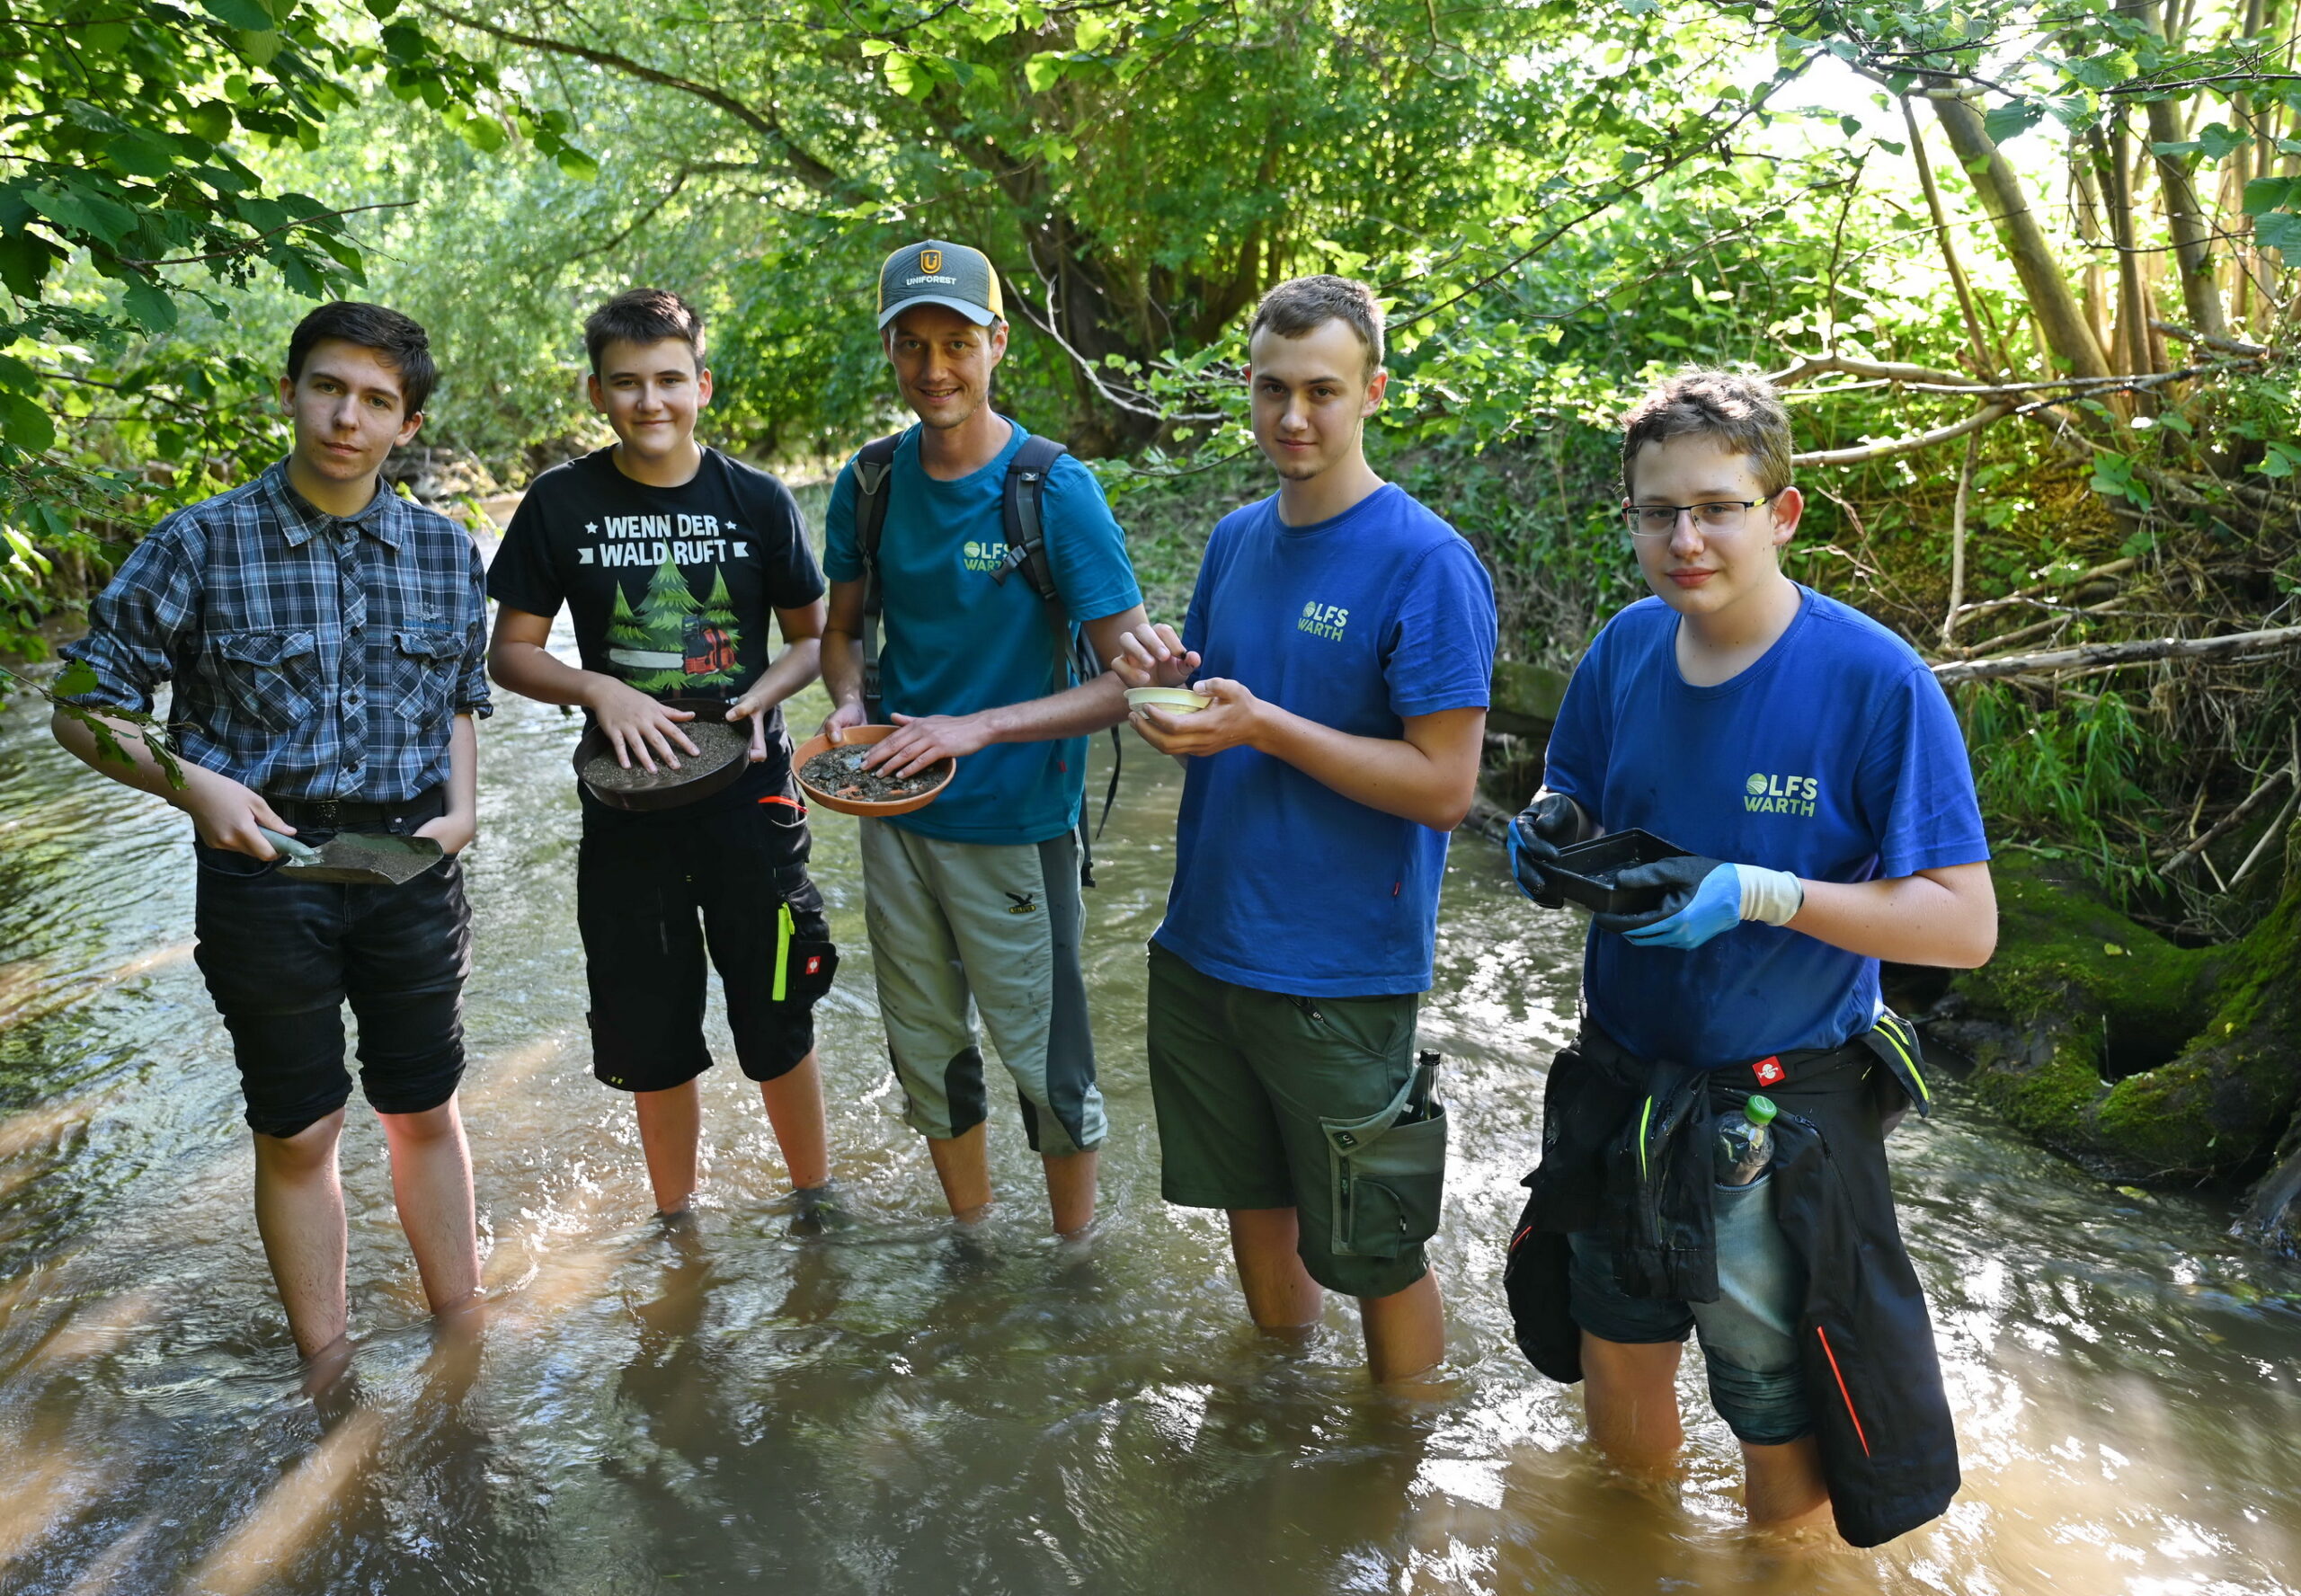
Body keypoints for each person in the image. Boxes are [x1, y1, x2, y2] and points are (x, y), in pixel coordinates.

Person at [1500, 370, 1993, 1544]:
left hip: (1774, 1120)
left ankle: (1776, 1571)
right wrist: (1546, 842)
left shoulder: (1873, 681)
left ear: (1782, 514)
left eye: (1717, 507)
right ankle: (1635, 1564)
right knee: (1615, 1360)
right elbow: (1570, 795)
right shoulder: (1623, 653)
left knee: (1776, 1409)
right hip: (1619, 1085)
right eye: (1657, 511)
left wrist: (1767, 896)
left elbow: (1963, 924)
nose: (1685, 538)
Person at [52, 302, 487, 1364]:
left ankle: (464, 1340)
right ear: (287, 393)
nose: (348, 417)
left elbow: (462, 699)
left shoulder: (444, 552)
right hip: (260, 870)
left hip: (410, 863)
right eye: (329, 388)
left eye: (377, 401)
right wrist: (188, 783)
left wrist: (466, 810)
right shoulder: (195, 543)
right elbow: (80, 707)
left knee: (423, 1106)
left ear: (408, 428)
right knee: (299, 1129)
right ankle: (326, 1371)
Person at [1115, 274, 1497, 1384]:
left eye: (1322, 391)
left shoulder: (1426, 563)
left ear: (1372, 392)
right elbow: (1230, 706)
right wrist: (1170, 689)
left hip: (1339, 969)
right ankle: (1280, 1432)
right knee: (1252, 1204)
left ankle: (1393, 1476)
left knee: (1376, 1251)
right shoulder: (1237, 539)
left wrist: (1268, 726)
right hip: (1206, 943)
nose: (1293, 417)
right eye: (1272, 389)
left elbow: (1443, 789)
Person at [817, 239, 1152, 1237]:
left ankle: (1073, 1260)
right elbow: (841, 633)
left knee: (1043, 1054)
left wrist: (978, 727)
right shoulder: (868, 483)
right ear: (889, 353)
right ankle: (968, 1242)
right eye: (911, 344)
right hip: (893, 810)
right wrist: (844, 705)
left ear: (997, 343)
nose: (933, 369)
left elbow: (1125, 688)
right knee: (923, 1048)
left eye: (956, 342)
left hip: (1016, 823)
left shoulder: (1053, 491)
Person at [486, 288, 836, 1218]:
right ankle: (675, 1221)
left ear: (703, 385)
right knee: (648, 1028)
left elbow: (812, 639)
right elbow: (509, 653)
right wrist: (597, 687)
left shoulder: (754, 498)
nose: (651, 402)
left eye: (670, 381)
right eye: (627, 383)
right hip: (626, 810)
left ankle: (815, 1199)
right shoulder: (560, 504)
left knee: (776, 1009)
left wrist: (764, 693)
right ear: (595, 391)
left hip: (752, 806)